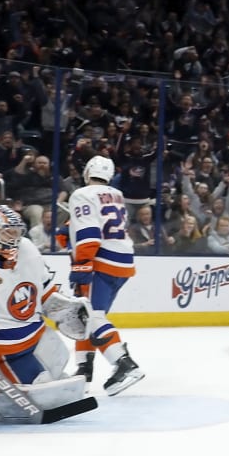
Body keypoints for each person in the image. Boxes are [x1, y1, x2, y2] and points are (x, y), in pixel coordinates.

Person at [0, 204, 96, 425]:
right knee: (43, 386)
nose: (13, 238)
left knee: (59, 368)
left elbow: (43, 288)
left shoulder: (28, 249)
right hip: (6, 346)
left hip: (38, 331)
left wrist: (64, 309)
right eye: (6, 232)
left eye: (16, 232)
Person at [66, 155, 143, 394]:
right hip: (122, 261)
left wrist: (81, 266)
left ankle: (124, 364)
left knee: (93, 317)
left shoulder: (82, 194)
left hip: (101, 262)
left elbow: (89, 233)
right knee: (86, 317)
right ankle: (83, 369)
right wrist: (67, 230)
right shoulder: (116, 194)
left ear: (88, 171)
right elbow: (100, 223)